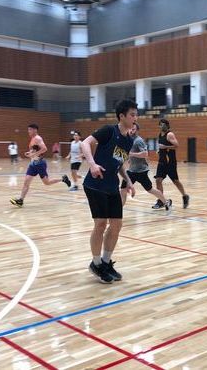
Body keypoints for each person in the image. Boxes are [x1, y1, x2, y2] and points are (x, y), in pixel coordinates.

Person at [81, 100, 138, 284]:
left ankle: (106, 262)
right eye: (132, 115)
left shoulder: (129, 141)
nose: (135, 118)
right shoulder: (108, 130)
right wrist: (92, 164)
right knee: (100, 224)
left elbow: (119, 164)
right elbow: (85, 143)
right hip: (94, 184)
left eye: (136, 115)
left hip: (112, 186)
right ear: (122, 116)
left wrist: (128, 181)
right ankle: (96, 264)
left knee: (117, 224)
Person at [10, 124, 71, 207]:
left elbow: (44, 149)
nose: (28, 131)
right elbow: (35, 150)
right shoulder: (32, 139)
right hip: (33, 164)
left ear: (35, 130)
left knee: (47, 182)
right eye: (28, 130)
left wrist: (33, 154)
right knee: (26, 182)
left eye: (30, 130)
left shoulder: (38, 138)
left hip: (40, 164)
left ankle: (63, 179)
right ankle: (21, 200)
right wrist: (30, 153)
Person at [120, 122, 172, 210]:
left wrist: (131, 154)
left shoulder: (138, 141)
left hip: (141, 171)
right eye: (130, 129)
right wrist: (129, 158)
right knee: (123, 189)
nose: (131, 130)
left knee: (150, 189)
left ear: (137, 130)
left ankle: (165, 202)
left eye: (133, 129)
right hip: (131, 171)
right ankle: (118, 210)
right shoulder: (128, 139)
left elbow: (145, 154)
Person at [152, 119, 189, 209]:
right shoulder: (160, 135)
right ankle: (161, 201)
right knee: (158, 180)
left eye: (163, 124)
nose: (161, 126)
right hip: (161, 162)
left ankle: (185, 196)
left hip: (170, 162)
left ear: (167, 125)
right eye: (160, 125)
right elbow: (162, 147)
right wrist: (160, 150)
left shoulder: (170, 134)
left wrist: (165, 147)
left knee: (175, 181)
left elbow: (176, 145)